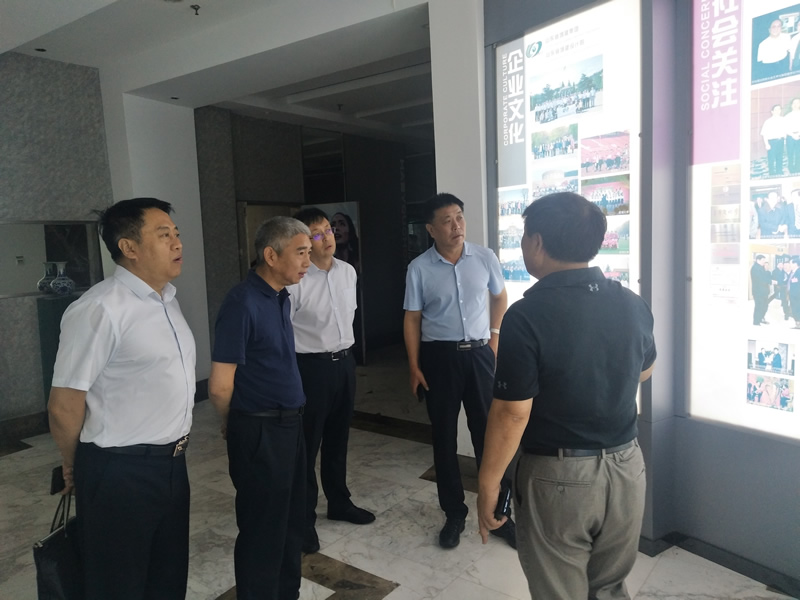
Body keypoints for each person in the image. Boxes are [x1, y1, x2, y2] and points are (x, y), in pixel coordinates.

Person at [476, 192, 656, 600]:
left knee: (560, 591)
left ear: (537, 242)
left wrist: (488, 482)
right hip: (627, 469)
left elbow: (512, 414)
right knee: (609, 587)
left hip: (558, 478)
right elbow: (644, 371)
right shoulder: (631, 303)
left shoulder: (526, 315)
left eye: (524, 236)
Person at [48, 198, 196, 600]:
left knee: (167, 578)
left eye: (176, 234)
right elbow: (64, 405)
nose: (177, 243)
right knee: (118, 585)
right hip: (120, 472)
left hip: (172, 465)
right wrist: (75, 465)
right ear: (129, 247)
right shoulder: (99, 309)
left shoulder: (167, 300)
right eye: (163, 235)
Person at [403, 192, 515, 550]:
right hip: (439, 359)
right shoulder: (419, 268)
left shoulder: (484, 257)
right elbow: (412, 318)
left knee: (490, 436)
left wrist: (494, 337)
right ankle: (454, 513)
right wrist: (414, 366)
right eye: (447, 220)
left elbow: (500, 296)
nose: (456, 226)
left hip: (480, 354)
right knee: (444, 438)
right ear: (431, 229)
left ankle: (498, 513)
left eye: (460, 217)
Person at [208, 217, 311, 600]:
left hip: (289, 426)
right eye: (300, 253)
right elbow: (220, 385)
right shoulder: (242, 303)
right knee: (263, 530)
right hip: (260, 430)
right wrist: (232, 422)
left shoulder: (280, 296)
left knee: (291, 521)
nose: (308, 261)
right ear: (271, 255)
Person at [286, 207, 374, 556]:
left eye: (328, 229)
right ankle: (303, 519)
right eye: (317, 233)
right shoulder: (296, 280)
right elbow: (283, 334)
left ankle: (339, 502)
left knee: (338, 439)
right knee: (307, 447)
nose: (327, 237)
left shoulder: (347, 272)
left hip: (344, 365)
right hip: (310, 369)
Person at [761, 105, 786, 177]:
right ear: (772, 112)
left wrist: (784, 141)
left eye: (779, 109)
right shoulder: (768, 122)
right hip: (772, 142)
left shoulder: (783, 120)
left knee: (780, 157)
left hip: (780, 141)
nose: (778, 111)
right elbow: (764, 134)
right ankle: (771, 172)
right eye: (776, 110)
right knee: (771, 158)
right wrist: (766, 144)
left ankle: (779, 171)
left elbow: (785, 131)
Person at [751, 254, 772, 326]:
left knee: (764, 306)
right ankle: (756, 322)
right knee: (759, 306)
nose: (764, 262)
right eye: (763, 260)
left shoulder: (761, 267)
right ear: (758, 260)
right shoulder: (755, 268)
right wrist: (771, 281)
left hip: (764, 291)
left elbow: (765, 276)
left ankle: (761, 318)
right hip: (758, 291)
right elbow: (761, 279)